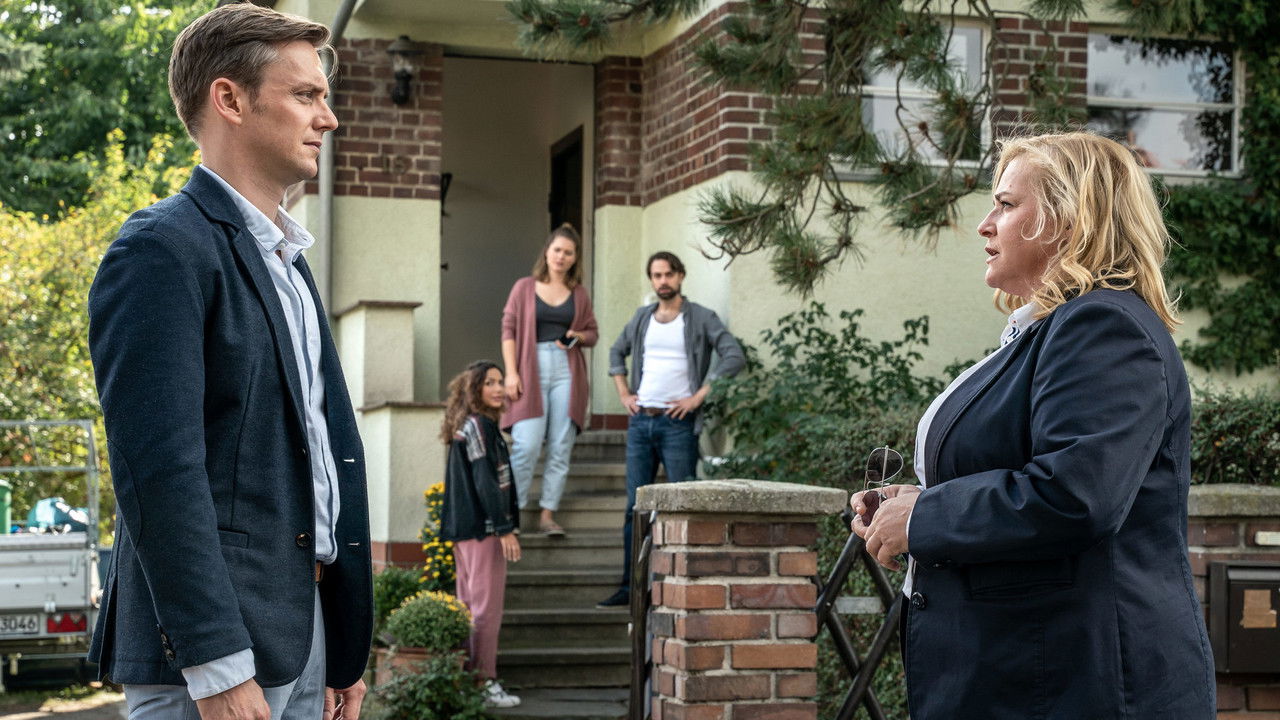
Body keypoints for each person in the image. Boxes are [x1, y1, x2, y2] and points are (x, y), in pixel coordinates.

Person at [851, 131, 1215, 719]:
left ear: (1069, 219)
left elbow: (1074, 495)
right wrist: (915, 503)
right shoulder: (1052, 328)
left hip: (1080, 684)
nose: (984, 225)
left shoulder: (1102, 326)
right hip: (1033, 673)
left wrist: (924, 519)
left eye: (1006, 204)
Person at [87, 5, 371, 720]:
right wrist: (217, 666)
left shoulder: (289, 264)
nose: (328, 117)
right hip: (214, 660)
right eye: (305, 95)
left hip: (302, 636)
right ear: (230, 100)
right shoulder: (161, 249)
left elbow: (317, 453)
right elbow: (159, 472)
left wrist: (340, 644)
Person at [597, 251, 745, 608]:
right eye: (656, 275)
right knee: (635, 507)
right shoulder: (642, 317)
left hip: (678, 424)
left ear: (680, 276)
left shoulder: (701, 317)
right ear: (651, 279)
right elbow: (616, 352)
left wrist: (697, 397)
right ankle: (632, 588)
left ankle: (679, 585)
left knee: (682, 503)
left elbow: (734, 356)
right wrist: (624, 393)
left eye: (668, 274)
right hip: (641, 422)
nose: (662, 281)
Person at [500, 224, 599, 536]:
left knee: (560, 447)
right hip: (530, 368)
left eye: (568, 252)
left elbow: (592, 333)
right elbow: (508, 329)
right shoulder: (524, 287)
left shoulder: (579, 293)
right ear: (547, 252)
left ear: (575, 258)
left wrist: (577, 335)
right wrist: (511, 372)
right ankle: (512, 515)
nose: (561, 256)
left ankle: (547, 515)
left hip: (567, 372)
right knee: (526, 446)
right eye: (557, 250)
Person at [439, 361, 523, 709]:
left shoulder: (471, 426)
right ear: (475, 389)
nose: (499, 388)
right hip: (483, 531)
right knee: (486, 610)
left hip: (466, 531)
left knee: (470, 607)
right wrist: (504, 528)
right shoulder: (480, 427)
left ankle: (467, 680)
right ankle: (484, 680)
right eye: (490, 382)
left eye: (501, 381)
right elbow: (486, 482)